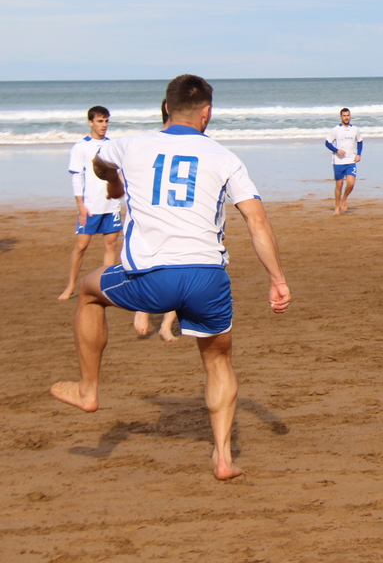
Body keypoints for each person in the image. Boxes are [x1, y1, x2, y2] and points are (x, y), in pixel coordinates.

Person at [50, 74, 291, 480]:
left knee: (89, 292)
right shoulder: (225, 157)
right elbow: (257, 221)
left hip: (151, 277)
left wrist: (114, 181)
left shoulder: (128, 145)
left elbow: (100, 162)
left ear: (166, 107)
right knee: (218, 361)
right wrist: (277, 280)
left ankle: (89, 389)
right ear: (207, 112)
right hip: (206, 278)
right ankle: (223, 458)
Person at [57, 107, 123, 301]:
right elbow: (77, 177)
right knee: (81, 245)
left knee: (111, 245)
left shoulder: (112, 146)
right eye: (100, 121)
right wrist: (81, 205)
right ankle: (71, 286)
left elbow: (120, 174)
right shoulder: (81, 147)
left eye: (106, 121)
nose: (104, 125)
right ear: (90, 122)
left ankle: (106, 288)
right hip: (91, 206)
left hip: (111, 206)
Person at [132, 99, 179, 342]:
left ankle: (166, 325)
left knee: (180, 270)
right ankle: (143, 309)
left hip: (179, 215)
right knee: (153, 265)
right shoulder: (147, 145)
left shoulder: (191, 143)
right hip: (153, 215)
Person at [325, 108, 363, 215]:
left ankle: (344, 198)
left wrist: (359, 154)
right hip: (338, 161)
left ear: (350, 116)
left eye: (348, 115)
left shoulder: (355, 129)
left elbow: (360, 142)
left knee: (351, 184)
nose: (346, 117)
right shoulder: (336, 130)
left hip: (351, 160)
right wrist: (337, 150)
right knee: (339, 185)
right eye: (344, 116)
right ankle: (337, 208)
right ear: (341, 117)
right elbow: (327, 143)